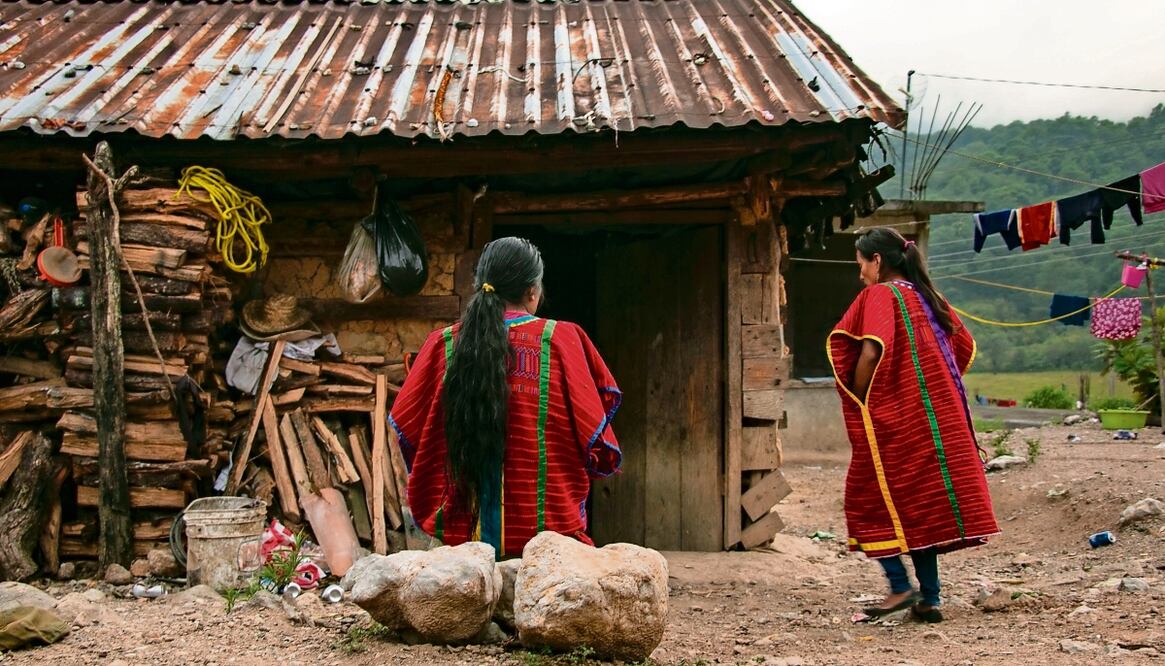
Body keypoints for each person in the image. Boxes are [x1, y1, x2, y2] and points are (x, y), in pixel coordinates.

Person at [388, 237, 621, 557]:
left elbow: (411, 431)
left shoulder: (442, 345)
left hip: (462, 539)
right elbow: (593, 433)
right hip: (547, 539)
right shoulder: (562, 340)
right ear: (532, 292)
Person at [828, 227, 999, 623]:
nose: (860, 276)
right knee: (917, 503)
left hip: (896, 420)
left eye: (861, 265)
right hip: (936, 422)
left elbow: (870, 352)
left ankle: (900, 587)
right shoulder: (927, 296)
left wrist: (860, 399)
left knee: (867, 496)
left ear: (877, 261)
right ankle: (931, 598)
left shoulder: (879, 296)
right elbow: (961, 346)